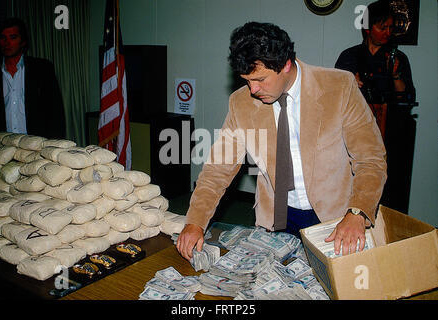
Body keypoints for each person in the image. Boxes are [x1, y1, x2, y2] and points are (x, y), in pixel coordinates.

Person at [177, 22, 387, 261]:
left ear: (286, 64)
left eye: (261, 79)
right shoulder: (241, 102)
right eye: (247, 80)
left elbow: (370, 160)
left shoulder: (338, 87)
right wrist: (195, 221)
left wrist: (357, 213)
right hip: (275, 220)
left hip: (335, 219)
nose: (253, 89)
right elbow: (218, 169)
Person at [0, 17, 66, 139]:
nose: (7, 43)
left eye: (13, 37)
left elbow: (56, 113)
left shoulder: (42, 68)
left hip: (37, 146)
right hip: (2, 149)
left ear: (23, 41)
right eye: (3, 38)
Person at [335, 0, 415, 104]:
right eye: (383, 28)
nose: (388, 33)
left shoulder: (398, 57)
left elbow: (408, 98)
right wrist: (349, 84)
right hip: (357, 117)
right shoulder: (349, 56)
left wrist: (396, 76)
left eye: (391, 28)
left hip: (390, 118)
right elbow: (334, 93)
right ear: (367, 28)